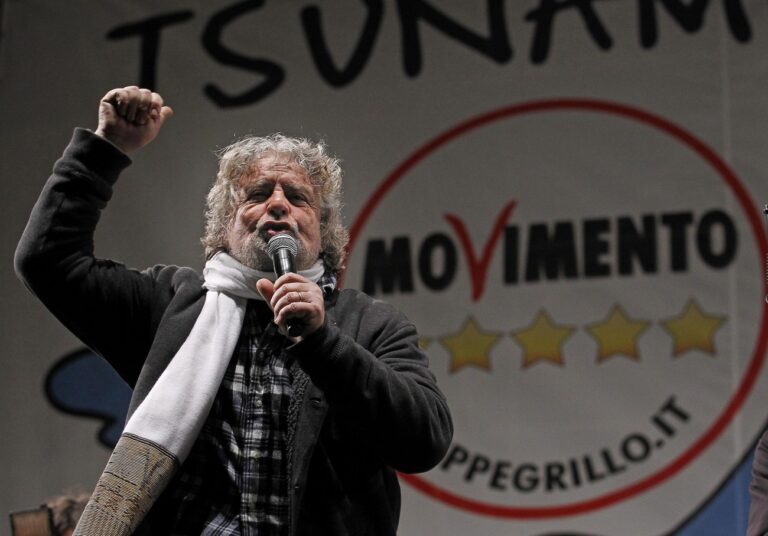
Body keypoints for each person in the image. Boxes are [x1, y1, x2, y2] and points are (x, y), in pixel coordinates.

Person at [15, 86, 453, 535]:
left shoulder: (370, 324)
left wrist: (324, 343)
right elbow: (47, 261)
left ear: (322, 232)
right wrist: (105, 150)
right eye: (258, 194)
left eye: (297, 198)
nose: (278, 204)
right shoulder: (171, 305)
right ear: (226, 227)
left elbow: (424, 442)